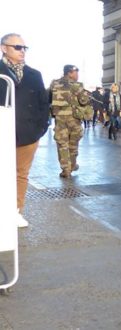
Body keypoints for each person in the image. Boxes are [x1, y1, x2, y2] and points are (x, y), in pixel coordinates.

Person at [0, 33, 49, 227]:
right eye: (17, 47)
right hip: (3, 132)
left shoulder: (34, 74)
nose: (22, 52)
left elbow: (43, 104)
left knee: (21, 174)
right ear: (4, 48)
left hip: (28, 135)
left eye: (24, 48)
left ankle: (16, 211)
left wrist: (40, 129)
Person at [49, 64, 92, 178]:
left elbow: (48, 97)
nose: (77, 74)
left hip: (60, 120)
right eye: (75, 72)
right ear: (69, 73)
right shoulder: (78, 85)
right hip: (74, 119)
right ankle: (72, 165)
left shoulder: (54, 83)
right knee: (73, 144)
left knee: (62, 144)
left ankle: (66, 170)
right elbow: (84, 101)